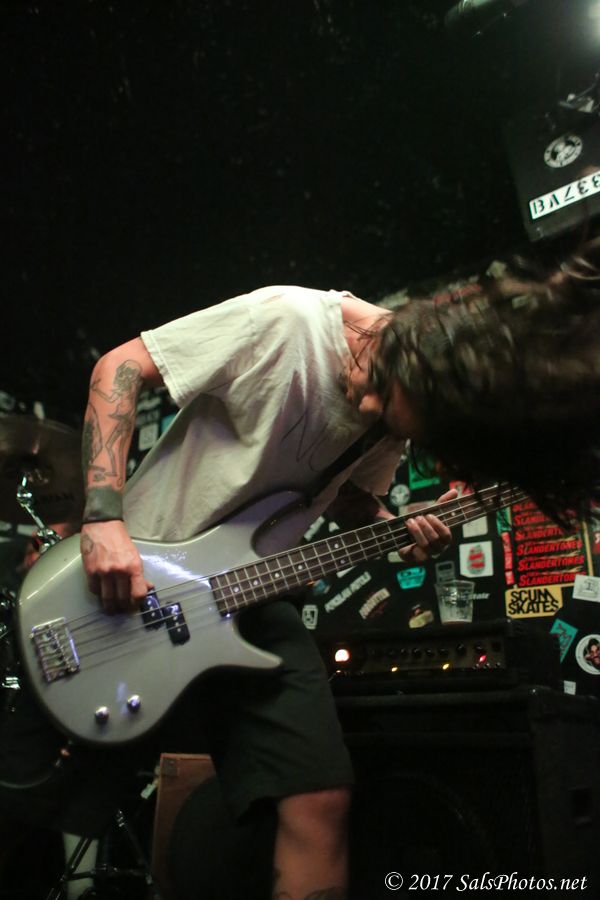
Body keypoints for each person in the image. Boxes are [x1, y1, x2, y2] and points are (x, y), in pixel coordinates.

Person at [79, 239, 600, 899]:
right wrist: (103, 519)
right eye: (380, 393)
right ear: (409, 350)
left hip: (250, 598)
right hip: (134, 579)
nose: (371, 413)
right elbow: (119, 367)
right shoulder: (284, 320)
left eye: (392, 417)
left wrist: (394, 528)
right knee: (42, 793)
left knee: (318, 797)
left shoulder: (399, 405)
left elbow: (349, 495)